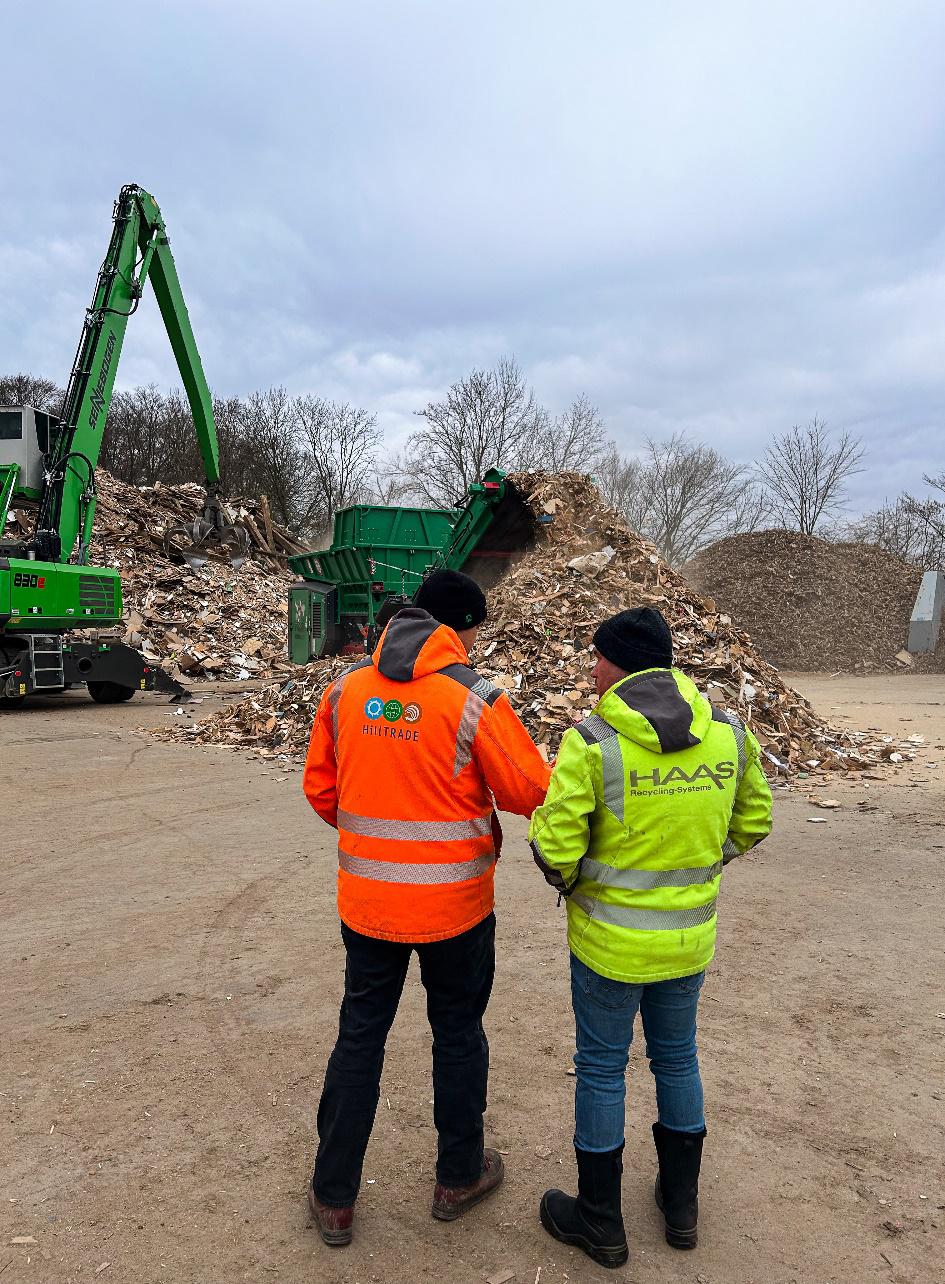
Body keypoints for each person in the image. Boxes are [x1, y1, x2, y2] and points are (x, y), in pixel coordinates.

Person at [302, 568, 551, 1247]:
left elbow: (321, 792)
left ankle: (334, 1198)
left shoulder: (344, 690)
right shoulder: (473, 698)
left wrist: (375, 831)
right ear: (459, 627)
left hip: (368, 905)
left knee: (360, 1036)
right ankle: (457, 1176)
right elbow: (530, 791)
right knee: (458, 1033)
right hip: (457, 910)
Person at [528, 606, 772, 1269]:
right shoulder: (727, 733)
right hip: (688, 940)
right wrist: (700, 868)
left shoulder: (594, 740)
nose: (590, 667)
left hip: (608, 945)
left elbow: (554, 844)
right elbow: (753, 820)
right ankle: (681, 1205)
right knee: (677, 1058)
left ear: (621, 661)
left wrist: (576, 882)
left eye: (597, 656)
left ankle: (599, 1222)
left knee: (603, 1070)